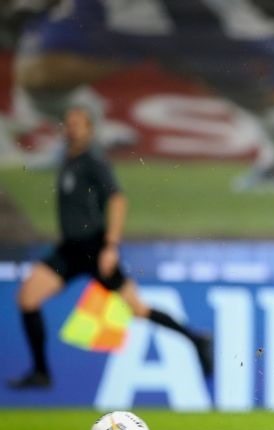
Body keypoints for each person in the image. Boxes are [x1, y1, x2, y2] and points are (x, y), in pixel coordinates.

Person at [5, 0, 274, 191]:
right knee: (41, 74)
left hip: (189, 10)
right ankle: (84, 138)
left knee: (243, 86)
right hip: (113, 9)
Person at [7, 106, 213, 389]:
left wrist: (110, 246)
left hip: (95, 248)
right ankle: (41, 373)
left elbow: (117, 199)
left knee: (137, 310)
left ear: (90, 130)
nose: (72, 128)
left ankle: (196, 339)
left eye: (78, 124)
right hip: (69, 250)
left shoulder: (93, 161)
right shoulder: (69, 161)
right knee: (28, 298)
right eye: (69, 123)